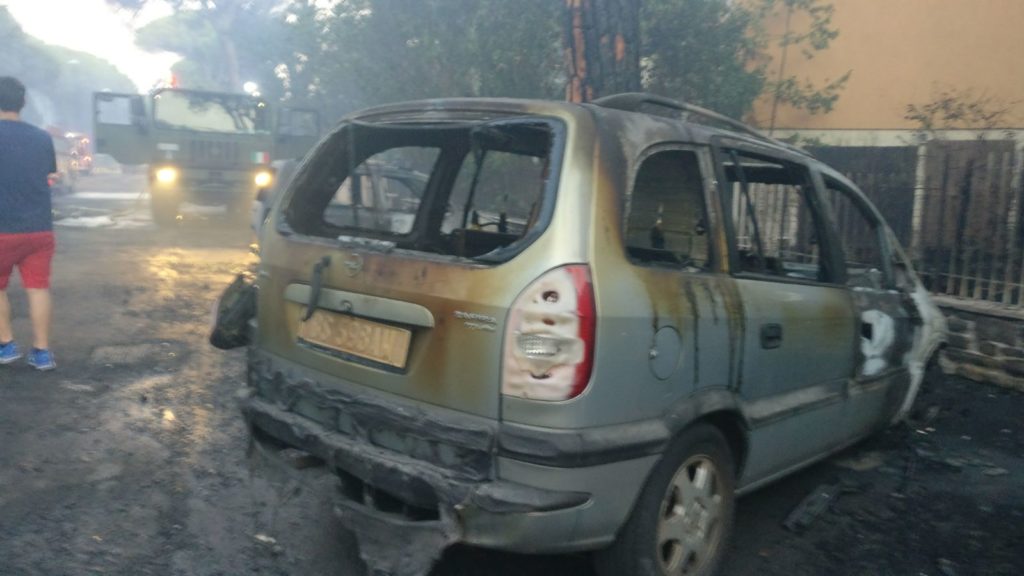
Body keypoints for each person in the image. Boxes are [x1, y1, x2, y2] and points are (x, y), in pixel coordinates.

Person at [0, 76, 57, 371]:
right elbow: (49, 175)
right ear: (22, 103)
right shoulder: (42, 138)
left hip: (2, 230)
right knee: (38, 288)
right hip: (39, 229)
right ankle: (42, 352)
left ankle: (7, 345)